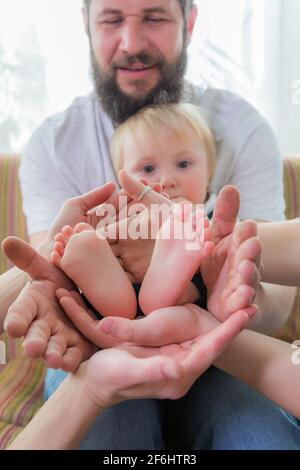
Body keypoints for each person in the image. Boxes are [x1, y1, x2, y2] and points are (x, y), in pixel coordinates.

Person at [2, 0, 296, 449]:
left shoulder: (243, 128)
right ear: (86, 24)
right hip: (100, 343)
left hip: (217, 339)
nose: (132, 43)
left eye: (154, 17)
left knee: (262, 436)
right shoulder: (54, 143)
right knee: (115, 433)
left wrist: (230, 284)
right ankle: (137, 286)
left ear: (190, 21)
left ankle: (169, 284)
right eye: (112, 19)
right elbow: (53, 287)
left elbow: (277, 303)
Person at [50, 102, 239, 319]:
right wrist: (100, 242)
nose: (167, 180)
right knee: (105, 249)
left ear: (209, 172)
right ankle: (102, 273)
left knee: (209, 261)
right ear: (123, 178)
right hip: (125, 291)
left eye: (183, 164)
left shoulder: (217, 214)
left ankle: (167, 285)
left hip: (194, 305)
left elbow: (234, 258)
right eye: (148, 169)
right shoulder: (123, 216)